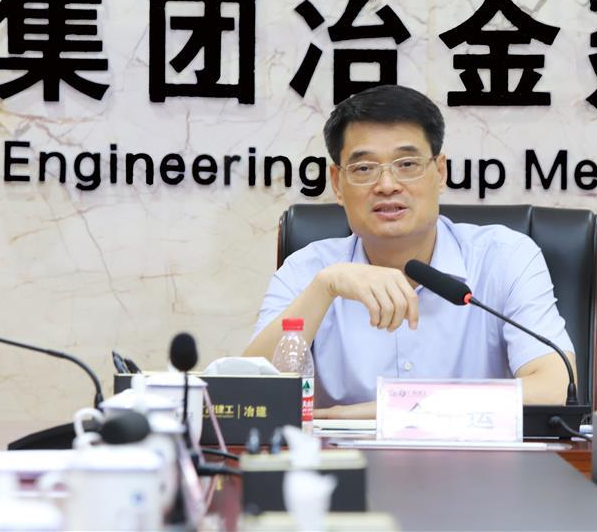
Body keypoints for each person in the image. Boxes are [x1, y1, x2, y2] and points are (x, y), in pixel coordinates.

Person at [244, 85, 574, 419]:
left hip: (473, 454)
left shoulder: (504, 258)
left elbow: (552, 387)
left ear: (440, 172)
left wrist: (383, 412)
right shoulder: (307, 271)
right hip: (339, 455)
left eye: (407, 164)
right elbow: (248, 395)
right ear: (337, 184)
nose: (387, 185)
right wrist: (325, 288)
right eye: (364, 168)